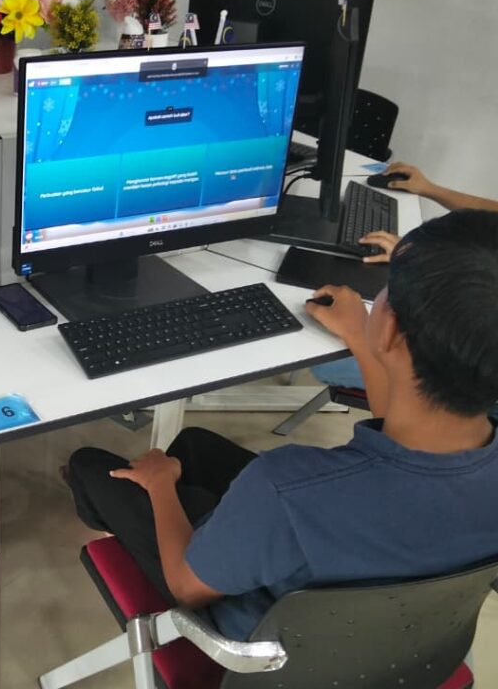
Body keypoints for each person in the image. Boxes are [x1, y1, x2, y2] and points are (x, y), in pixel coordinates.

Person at [65, 209, 498, 641]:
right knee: (193, 446)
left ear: (391, 329)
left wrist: (159, 484)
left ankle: (150, 517)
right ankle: (201, 510)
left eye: (388, 289)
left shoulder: (286, 487)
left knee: (91, 464)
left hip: (261, 647)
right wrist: (359, 337)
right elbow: (404, 428)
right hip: (400, 644)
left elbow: (187, 588)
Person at [313, 161, 498, 387]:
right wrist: (430, 189)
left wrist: (358, 335)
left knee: (326, 360)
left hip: (465, 375)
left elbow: (408, 405)